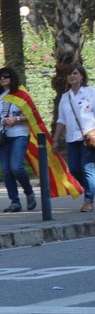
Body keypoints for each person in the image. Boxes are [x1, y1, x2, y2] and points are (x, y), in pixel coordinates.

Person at [0, 67, 37, 212]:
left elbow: (32, 116)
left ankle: (29, 192)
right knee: (6, 170)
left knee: (16, 167)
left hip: (19, 134)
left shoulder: (21, 94)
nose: (3, 79)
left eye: (6, 76)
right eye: (0, 77)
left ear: (12, 77)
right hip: (1, 136)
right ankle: (14, 201)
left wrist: (16, 119)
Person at [53, 63, 95, 212]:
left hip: (88, 138)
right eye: (69, 74)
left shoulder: (91, 92)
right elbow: (61, 120)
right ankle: (92, 190)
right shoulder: (65, 97)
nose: (72, 76)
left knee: (87, 168)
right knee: (75, 170)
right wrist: (55, 140)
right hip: (72, 138)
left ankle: (88, 200)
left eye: (75, 73)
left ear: (82, 76)